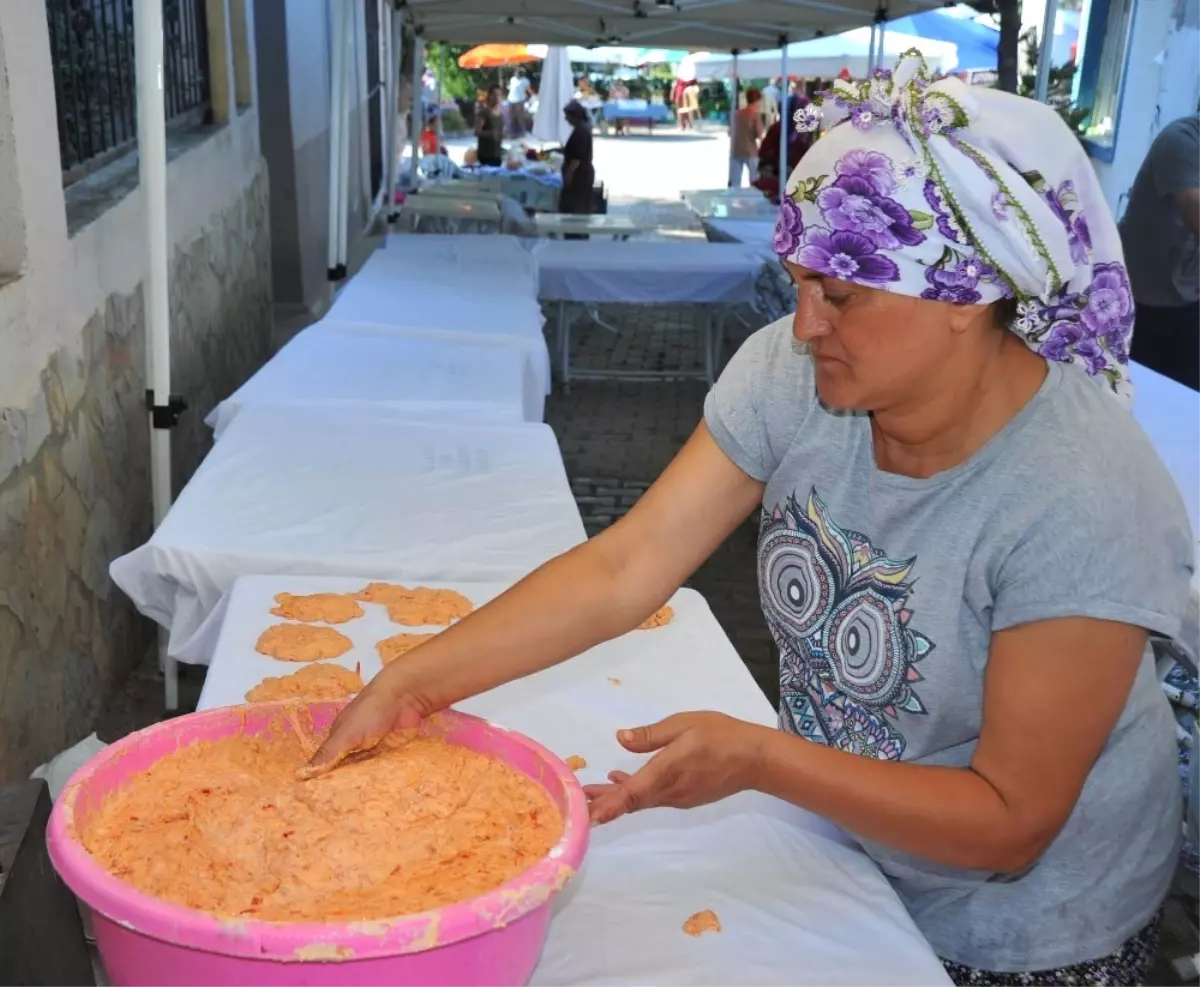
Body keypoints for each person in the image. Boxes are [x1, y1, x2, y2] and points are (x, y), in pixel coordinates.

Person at [310, 54, 1193, 986]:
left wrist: (764, 759)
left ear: (966, 302)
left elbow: (1011, 821)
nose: (804, 324)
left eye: (842, 293)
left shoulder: (1080, 494)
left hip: (1029, 926)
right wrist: (414, 682)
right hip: (851, 847)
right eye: (798, 281)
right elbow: (628, 566)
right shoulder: (796, 374)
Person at [1120, 111, 1200, 391]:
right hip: (1145, 300)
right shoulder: (1181, 141)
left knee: (1185, 397)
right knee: (1135, 393)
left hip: (1188, 298)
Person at [753, 93, 814, 204]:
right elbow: (765, 161)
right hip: (776, 187)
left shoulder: (805, 134)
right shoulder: (777, 130)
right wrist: (781, 172)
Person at [558, 99, 595, 233]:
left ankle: (576, 235)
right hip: (582, 174)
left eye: (567, 116)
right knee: (578, 208)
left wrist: (568, 175)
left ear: (575, 116)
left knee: (576, 209)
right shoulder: (582, 128)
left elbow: (576, 159)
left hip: (579, 176)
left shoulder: (580, 131)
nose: (566, 119)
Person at [730, 87, 765, 187]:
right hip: (751, 151)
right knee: (755, 182)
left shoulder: (737, 113)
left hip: (736, 150)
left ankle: (733, 201)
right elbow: (759, 134)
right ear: (758, 100)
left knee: (735, 183)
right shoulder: (755, 115)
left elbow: (731, 131)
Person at [474, 85, 505, 167]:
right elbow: (477, 132)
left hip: (497, 154)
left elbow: (499, 131)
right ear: (490, 96)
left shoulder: (499, 112)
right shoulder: (484, 112)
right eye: (496, 95)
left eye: (500, 95)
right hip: (486, 155)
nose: (498, 98)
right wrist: (492, 133)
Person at [507, 68, 530, 137]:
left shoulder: (525, 80)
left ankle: (523, 132)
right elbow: (510, 87)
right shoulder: (512, 79)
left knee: (520, 117)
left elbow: (527, 89)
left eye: (519, 73)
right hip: (511, 100)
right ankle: (512, 133)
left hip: (519, 101)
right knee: (511, 117)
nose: (517, 74)